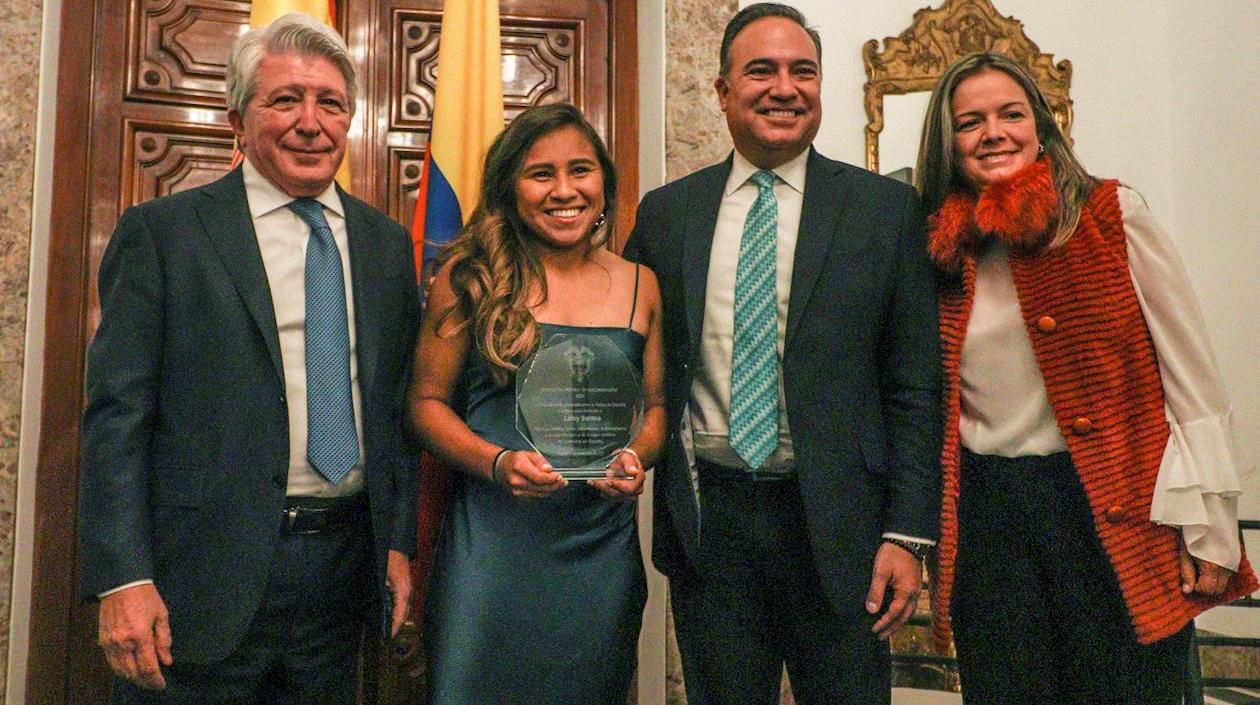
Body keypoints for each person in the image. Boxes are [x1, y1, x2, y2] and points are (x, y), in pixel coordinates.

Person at [77, 13, 421, 704]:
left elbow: (392, 410)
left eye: (330, 103)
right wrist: (121, 577)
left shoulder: (384, 247)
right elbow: (117, 419)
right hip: (192, 585)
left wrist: (398, 540)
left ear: (350, 120)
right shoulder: (165, 234)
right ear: (237, 118)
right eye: (285, 99)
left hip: (339, 578)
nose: (311, 121)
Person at [915, 51, 1259, 705]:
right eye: (971, 121)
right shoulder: (939, 251)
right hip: (991, 522)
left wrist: (1213, 527)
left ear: (1041, 126)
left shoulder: (1111, 215)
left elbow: (1194, 382)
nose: (994, 132)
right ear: (947, 142)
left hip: (1111, 512)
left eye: (1011, 114)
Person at [624, 4, 942, 703]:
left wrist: (908, 532)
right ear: (722, 91)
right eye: (760, 70)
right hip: (714, 527)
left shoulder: (884, 211)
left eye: (803, 71)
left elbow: (915, 386)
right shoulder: (667, 214)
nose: (784, 87)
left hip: (843, 529)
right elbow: (625, 350)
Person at [408, 102, 665, 704]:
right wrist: (496, 461)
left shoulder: (640, 283)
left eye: (581, 170)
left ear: (604, 182)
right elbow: (423, 405)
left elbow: (656, 410)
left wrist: (637, 458)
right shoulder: (468, 276)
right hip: (491, 553)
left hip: (599, 556)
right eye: (540, 173)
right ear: (511, 188)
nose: (564, 190)